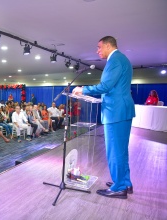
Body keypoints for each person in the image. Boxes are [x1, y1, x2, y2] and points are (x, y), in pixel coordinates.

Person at [73, 36, 135, 199]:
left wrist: (83, 90)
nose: (97, 50)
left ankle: (119, 187)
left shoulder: (115, 60)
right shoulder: (122, 59)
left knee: (115, 151)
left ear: (108, 46)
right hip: (120, 110)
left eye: (99, 47)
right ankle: (124, 182)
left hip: (116, 112)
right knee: (121, 150)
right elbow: (113, 88)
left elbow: (106, 86)